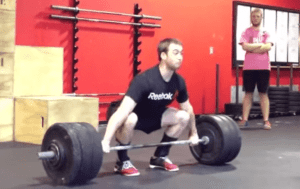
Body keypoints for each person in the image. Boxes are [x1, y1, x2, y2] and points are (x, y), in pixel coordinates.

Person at [101, 38, 199, 176]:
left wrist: (193, 133)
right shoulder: (144, 80)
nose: (180, 57)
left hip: (155, 115)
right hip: (131, 115)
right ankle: (122, 161)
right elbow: (123, 111)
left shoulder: (179, 81)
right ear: (163, 55)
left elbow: (187, 108)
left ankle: (160, 157)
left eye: (181, 53)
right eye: (175, 53)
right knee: (131, 118)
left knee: (183, 117)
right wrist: (105, 140)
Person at [238, 8, 273, 130]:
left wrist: (251, 48)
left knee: (263, 93)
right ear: (251, 18)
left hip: (263, 67)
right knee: (248, 93)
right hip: (249, 67)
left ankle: (266, 121)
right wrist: (259, 45)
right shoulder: (246, 32)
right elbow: (244, 46)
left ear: (261, 18)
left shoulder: (266, 32)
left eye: (258, 16)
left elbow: (267, 47)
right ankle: (244, 119)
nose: (255, 18)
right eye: (253, 16)